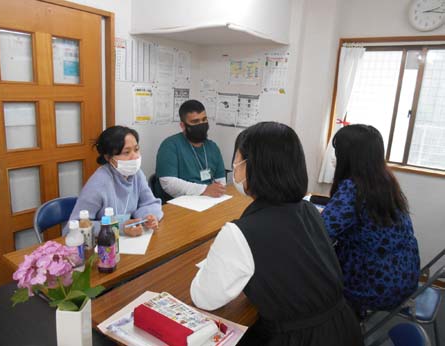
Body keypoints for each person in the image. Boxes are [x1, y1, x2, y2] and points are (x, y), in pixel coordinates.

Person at [190, 122, 363, 345]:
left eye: (238, 159)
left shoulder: (239, 232)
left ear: (254, 167)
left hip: (301, 339)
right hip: (343, 327)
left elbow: (203, 297)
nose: (234, 165)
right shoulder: (308, 210)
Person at [322, 124, 420, 317]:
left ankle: (342, 325)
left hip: (374, 286)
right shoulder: (385, 181)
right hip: (404, 277)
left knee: (309, 272)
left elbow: (321, 231)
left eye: (338, 152)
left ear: (348, 156)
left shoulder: (353, 188)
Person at [65, 126, 163, 237]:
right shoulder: (98, 183)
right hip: (100, 245)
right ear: (108, 157)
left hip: (129, 240)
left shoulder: (136, 174)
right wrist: (119, 228)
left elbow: (150, 202)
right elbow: (78, 225)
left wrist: (148, 217)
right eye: (126, 152)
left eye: (136, 149)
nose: (135, 157)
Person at [154, 100, 226, 201]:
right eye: (195, 122)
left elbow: (221, 181)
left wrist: (218, 190)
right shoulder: (170, 145)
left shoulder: (213, 147)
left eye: (204, 119)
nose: (201, 124)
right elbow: (168, 183)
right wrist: (204, 189)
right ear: (183, 126)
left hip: (208, 201)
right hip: (180, 203)